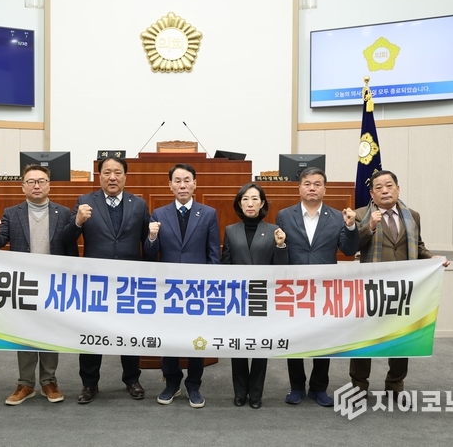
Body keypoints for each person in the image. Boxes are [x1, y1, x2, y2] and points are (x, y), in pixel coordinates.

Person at [349, 170, 449, 404]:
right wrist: (369, 227)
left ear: (398, 188)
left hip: (404, 289)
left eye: (389, 185)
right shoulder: (361, 214)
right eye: (379, 187)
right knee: (365, 339)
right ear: (371, 193)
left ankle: (395, 384)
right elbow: (352, 246)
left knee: (402, 338)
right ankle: (359, 386)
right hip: (372, 288)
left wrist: (431, 258)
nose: (385, 190)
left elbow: (418, 246)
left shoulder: (412, 215)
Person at [0, 164, 78, 406]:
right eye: (31, 181)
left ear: (49, 185)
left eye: (41, 181)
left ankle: (49, 381)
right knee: (25, 332)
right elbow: (0, 242)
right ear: (23, 187)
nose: (36, 185)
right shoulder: (11, 212)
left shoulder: (63, 212)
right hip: (24, 282)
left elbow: (70, 248)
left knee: (50, 332)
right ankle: (25, 383)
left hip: (53, 283)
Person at [63, 156, 150, 404]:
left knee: (130, 332)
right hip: (96, 282)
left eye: (117, 172)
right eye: (107, 173)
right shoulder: (85, 201)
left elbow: (148, 244)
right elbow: (66, 238)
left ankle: (132, 379)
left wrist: (153, 241)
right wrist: (77, 221)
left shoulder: (139, 204)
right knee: (92, 332)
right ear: (99, 176)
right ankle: (89, 383)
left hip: (129, 282)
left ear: (125, 177)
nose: (112, 177)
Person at [275, 167, 359, 407]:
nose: (312, 188)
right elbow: (281, 250)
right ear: (299, 188)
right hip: (295, 288)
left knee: (323, 338)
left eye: (317, 184)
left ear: (325, 189)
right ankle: (296, 387)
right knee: (295, 337)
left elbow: (349, 250)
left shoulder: (338, 216)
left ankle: (318, 388)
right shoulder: (284, 215)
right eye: (307, 184)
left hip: (325, 289)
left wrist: (351, 227)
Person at [144, 163, 220, 408]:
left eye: (187, 180)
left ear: (195, 184)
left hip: (198, 290)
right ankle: (172, 383)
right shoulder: (159, 214)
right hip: (169, 290)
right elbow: (150, 254)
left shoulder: (208, 213)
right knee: (170, 337)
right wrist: (152, 237)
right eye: (177, 181)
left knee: (197, 339)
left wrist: (211, 286)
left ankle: (194, 385)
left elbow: (213, 254)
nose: (182, 185)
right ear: (170, 185)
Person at [221, 182, 289, 409]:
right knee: (238, 345)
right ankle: (240, 392)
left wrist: (281, 246)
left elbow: (282, 268)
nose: (250, 203)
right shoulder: (231, 230)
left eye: (254, 199)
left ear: (262, 204)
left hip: (263, 297)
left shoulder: (273, 231)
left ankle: (256, 394)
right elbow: (225, 265)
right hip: (237, 298)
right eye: (245, 199)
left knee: (261, 346)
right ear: (239, 204)